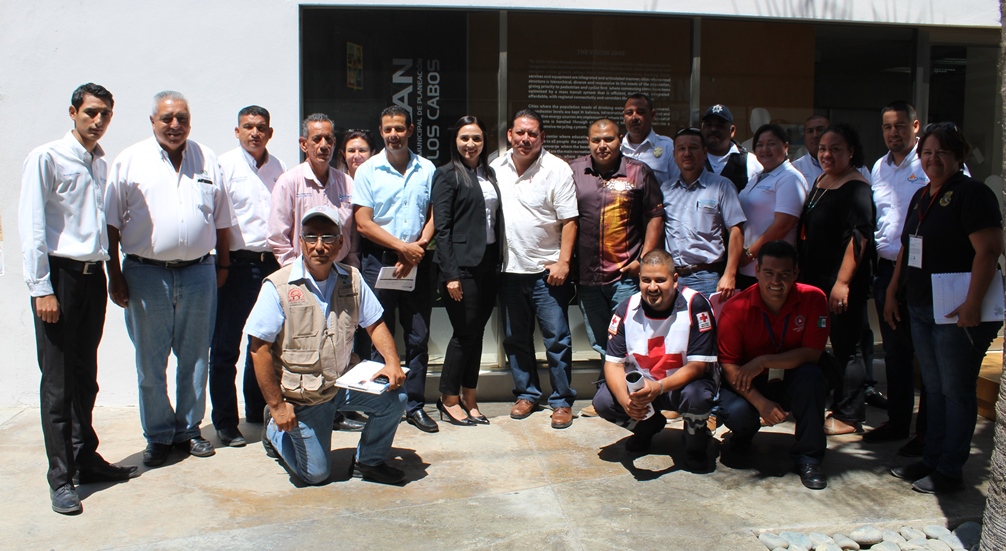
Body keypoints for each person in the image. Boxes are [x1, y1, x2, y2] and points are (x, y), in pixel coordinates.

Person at [19, 83, 137, 515]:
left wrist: (110, 275)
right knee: (58, 383)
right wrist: (41, 288)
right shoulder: (47, 157)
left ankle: (85, 459)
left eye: (105, 113)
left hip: (91, 279)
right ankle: (61, 478)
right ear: (73, 112)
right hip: (60, 278)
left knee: (86, 376)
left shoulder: (99, 163)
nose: (98, 120)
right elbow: (32, 225)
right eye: (90, 112)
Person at [105, 91, 234, 467]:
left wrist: (223, 266)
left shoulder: (206, 158)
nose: (175, 125)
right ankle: (159, 435)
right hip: (146, 275)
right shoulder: (130, 160)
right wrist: (114, 274)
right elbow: (110, 224)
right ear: (152, 121)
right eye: (167, 118)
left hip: (199, 272)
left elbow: (222, 221)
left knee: (195, 358)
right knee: (151, 362)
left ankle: (189, 430)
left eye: (182, 118)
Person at [246, 206, 408, 485]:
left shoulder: (352, 278)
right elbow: (258, 349)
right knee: (315, 475)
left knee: (396, 398)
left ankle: (369, 462)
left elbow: (375, 324)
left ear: (341, 242)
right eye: (311, 237)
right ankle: (274, 430)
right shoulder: (278, 286)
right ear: (301, 241)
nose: (319, 245)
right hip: (305, 397)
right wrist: (277, 406)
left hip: (343, 384)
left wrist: (392, 363)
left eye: (328, 237)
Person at [886, 123, 1003, 494]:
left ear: (959, 156)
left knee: (956, 390)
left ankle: (950, 469)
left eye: (941, 152)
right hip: (922, 307)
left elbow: (989, 250)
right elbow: (907, 249)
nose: (932, 159)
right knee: (933, 390)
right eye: (927, 153)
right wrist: (892, 291)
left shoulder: (973, 194)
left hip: (957, 313)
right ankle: (931, 458)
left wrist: (972, 304)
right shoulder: (922, 195)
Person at [715, 241, 831, 490]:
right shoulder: (735, 308)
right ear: (757, 270)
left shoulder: (814, 298)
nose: (776, 281)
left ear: (796, 273)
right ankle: (742, 436)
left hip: (792, 377)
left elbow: (813, 353)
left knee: (812, 377)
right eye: (768, 273)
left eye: (784, 274)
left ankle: (809, 457)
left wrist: (763, 361)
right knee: (735, 411)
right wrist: (761, 403)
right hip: (750, 382)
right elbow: (729, 366)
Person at [491, 108, 579, 429]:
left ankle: (562, 401)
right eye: (520, 133)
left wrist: (563, 262)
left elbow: (570, 220)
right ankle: (526, 394)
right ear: (510, 135)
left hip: (547, 273)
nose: (525, 139)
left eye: (532, 134)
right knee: (516, 339)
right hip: (508, 271)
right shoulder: (495, 167)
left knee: (557, 339)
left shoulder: (557, 169)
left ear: (542, 137)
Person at [591, 250, 718, 472]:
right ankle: (647, 428)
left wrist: (658, 387)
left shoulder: (696, 305)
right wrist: (626, 402)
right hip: (642, 388)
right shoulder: (626, 309)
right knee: (604, 402)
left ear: (675, 280)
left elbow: (698, 366)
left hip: (680, 386)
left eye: (660, 280)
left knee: (698, 396)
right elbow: (613, 363)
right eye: (646, 280)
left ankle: (695, 443)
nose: (652, 287)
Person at [353, 106, 438, 433]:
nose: (393, 135)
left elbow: (434, 215)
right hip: (380, 260)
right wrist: (402, 248)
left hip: (418, 259)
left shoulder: (427, 169)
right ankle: (381, 406)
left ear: (410, 130)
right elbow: (363, 223)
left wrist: (418, 247)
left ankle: (414, 405)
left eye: (399, 129)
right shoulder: (368, 171)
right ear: (381, 131)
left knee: (418, 336)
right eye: (388, 129)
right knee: (379, 334)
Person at [210, 106, 287, 447]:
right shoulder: (224, 165)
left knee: (263, 341)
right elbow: (218, 220)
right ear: (237, 131)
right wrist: (224, 264)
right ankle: (226, 422)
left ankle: (256, 410)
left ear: (270, 133)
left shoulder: (278, 168)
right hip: (236, 265)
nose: (254, 132)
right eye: (248, 127)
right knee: (225, 346)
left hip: (271, 265)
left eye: (260, 127)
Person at [797, 123, 875, 436]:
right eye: (823, 148)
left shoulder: (857, 187)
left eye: (835, 149)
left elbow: (859, 238)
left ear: (851, 152)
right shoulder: (822, 179)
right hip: (815, 277)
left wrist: (842, 283)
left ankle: (850, 415)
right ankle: (838, 401)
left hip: (840, 281)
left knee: (848, 347)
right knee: (825, 344)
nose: (827, 154)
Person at [569, 118, 664, 357]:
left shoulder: (638, 171)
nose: (602, 145)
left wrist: (643, 260)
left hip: (624, 276)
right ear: (588, 142)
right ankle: (610, 378)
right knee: (600, 341)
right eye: (596, 140)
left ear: (620, 140)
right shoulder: (574, 171)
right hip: (587, 278)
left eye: (608, 139)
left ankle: (628, 380)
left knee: (629, 337)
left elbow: (655, 216)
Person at [431, 116, 503, 425]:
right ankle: (448, 398)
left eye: (476, 138)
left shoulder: (489, 174)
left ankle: (470, 398)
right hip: (460, 267)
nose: (470, 144)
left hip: (488, 264)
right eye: (464, 138)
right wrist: (451, 274)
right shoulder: (446, 174)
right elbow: (442, 229)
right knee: (464, 334)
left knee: (477, 333)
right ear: (455, 141)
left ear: (484, 141)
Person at [865, 101, 928, 452]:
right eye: (888, 127)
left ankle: (927, 432)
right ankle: (898, 422)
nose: (894, 133)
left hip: (921, 272)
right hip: (887, 269)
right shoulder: (879, 167)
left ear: (915, 126)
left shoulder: (930, 161)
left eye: (901, 125)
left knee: (926, 355)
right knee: (895, 353)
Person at [661, 128, 746, 299]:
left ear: (705, 153)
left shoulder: (722, 186)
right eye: (681, 149)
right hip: (671, 277)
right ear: (674, 155)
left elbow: (736, 230)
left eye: (693, 148)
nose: (687, 153)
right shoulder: (665, 189)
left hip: (706, 277)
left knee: (706, 318)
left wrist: (730, 274)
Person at [268, 113, 356, 268]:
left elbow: (353, 234)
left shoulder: (346, 182)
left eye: (328, 139)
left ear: (334, 143)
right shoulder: (288, 182)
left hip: (340, 269)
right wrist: (293, 270)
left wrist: (352, 267)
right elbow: (277, 236)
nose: (324, 145)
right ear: (304, 144)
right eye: (317, 139)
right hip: (302, 269)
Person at [736, 124, 808, 290]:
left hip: (772, 269)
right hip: (749, 268)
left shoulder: (790, 177)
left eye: (771, 144)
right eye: (760, 145)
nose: (765, 149)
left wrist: (749, 254)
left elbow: (783, 225)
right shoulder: (758, 176)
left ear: (786, 146)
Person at [792, 114, 872, 191]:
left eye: (820, 129)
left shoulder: (859, 171)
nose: (815, 135)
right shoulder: (796, 168)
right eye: (810, 131)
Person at [700, 104, 762, 193]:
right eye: (709, 125)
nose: (713, 129)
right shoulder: (691, 159)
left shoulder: (750, 162)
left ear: (732, 131)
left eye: (720, 125)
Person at [620, 93, 679, 184]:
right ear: (623, 116)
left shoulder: (668, 147)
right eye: (629, 113)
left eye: (640, 112)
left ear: (652, 115)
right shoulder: (617, 149)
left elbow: (677, 185)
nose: (634, 117)